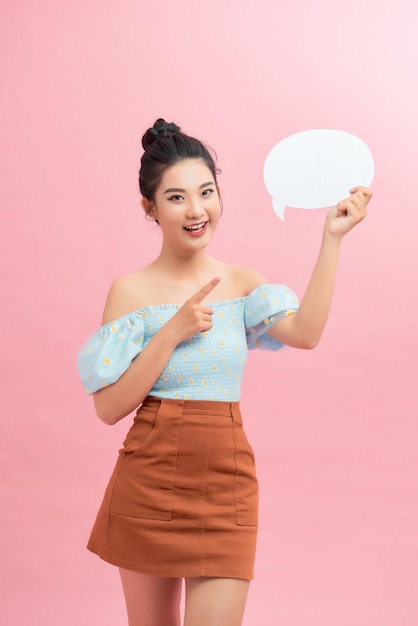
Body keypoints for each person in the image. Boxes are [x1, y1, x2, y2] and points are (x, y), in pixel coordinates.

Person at [77, 118, 372, 626]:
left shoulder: (241, 282)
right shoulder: (130, 292)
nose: (196, 210)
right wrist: (170, 332)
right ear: (149, 207)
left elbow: (306, 333)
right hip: (146, 481)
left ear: (218, 193)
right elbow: (108, 409)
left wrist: (333, 239)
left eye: (206, 191)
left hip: (225, 481)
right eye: (175, 197)